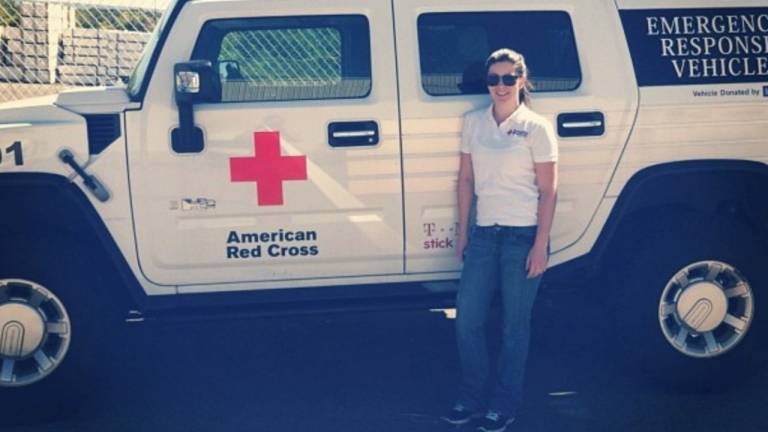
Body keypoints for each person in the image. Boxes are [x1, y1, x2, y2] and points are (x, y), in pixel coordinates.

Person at [442, 48, 558, 432]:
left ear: (522, 80)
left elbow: (548, 191)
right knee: (467, 320)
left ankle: (504, 404)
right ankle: (472, 397)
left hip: (522, 237)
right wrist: (464, 233)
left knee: (514, 326)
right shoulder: (474, 122)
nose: (501, 86)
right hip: (485, 235)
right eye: (493, 79)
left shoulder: (537, 127)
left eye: (509, 78)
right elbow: (466, 181)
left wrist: (540, 244)